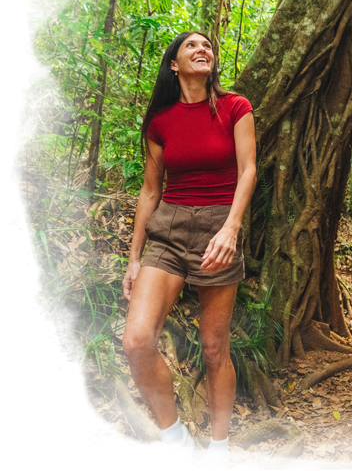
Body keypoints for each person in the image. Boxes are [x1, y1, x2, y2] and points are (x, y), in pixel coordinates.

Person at [121, 31, 256, 471]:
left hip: (219, 225)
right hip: (169, 228)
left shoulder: (236, 106)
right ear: (174, 65)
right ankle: (173, 434)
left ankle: (219, 449)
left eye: (207, 46)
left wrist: (231, 228)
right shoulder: (161, 120)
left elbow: (248, 169)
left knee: (215, 347)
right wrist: (135, 257)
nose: (202, 50)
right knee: (137, 341)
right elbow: (149, 191)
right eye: (190, 46)